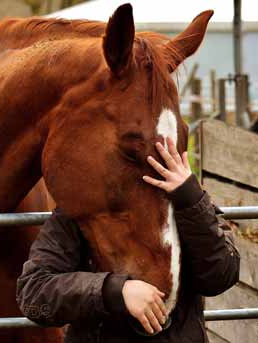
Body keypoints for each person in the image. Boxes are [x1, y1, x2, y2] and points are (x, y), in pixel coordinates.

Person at [16, 138, 240, 343]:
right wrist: (115, 291)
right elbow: (34, 293)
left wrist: (190, 198)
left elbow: (221, 276)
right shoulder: (82, 205)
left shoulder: (185, 201)